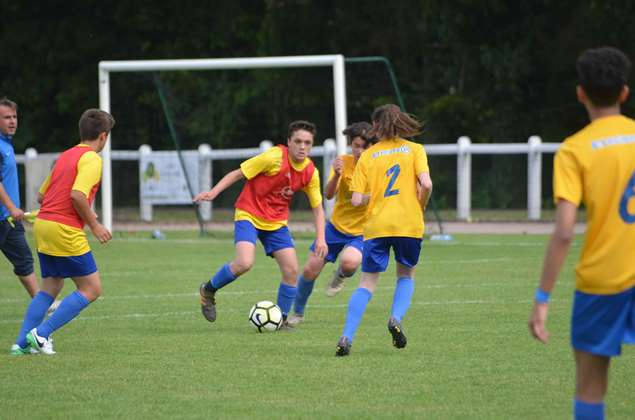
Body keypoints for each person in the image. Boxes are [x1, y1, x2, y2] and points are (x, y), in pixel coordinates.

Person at [528, 46, 635, 420]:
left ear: (581, 93)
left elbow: (564, 232)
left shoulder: (575, 150)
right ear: (624, 92)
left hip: (602, 282)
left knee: (591, 388)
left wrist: (542, 298)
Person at [194, 120, 327, 327]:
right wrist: (213, 192)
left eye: (307, 143)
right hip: (249, 213)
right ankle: (208, 290)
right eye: (298, 141)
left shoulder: (311, 172)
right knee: (244, 263)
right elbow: (238, 173)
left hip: (276, 223)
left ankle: (281, 320)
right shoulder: (273, 157)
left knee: (292, 271)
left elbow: (318, 209)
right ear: (289, 142)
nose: (302, 147)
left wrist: (321, 239)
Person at [11, 109, 114, 355]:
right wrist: (95, 224)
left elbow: (42, 195)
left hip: (43, 225)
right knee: (91, 289)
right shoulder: (92, 159)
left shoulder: (66, 155)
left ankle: (21, 344)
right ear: (103, 136)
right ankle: (41, 334)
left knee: (51, 286)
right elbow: (77, 195)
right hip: (63, 228)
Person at [335, 104, 432, 356]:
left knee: (367, 283)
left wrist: (376, 197)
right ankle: (395, 318)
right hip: (409, 224)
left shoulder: (368, 156)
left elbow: (356, 199)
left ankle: (346, 336)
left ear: (376, 125)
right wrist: (420, 204)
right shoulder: (415, 150)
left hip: (377, 225)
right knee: (406, 275)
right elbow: (427, 184)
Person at [287, 122, 373, 326]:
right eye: (356, 146)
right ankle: (297, 313)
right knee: (310, 270)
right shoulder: (344, 162)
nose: (360, 151)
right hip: (335, 228)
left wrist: (367, 198)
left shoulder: (379, 168)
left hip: (363, 232)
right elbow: (328, 194)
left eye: (365, 147)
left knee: (349, 262)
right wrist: (336, 175)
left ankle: (341, 275)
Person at [0, 98, 40, 299]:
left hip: (9, 220)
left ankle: (42, 303)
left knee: (24, 260)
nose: (12, 121)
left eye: (14, 117)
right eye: (7, 117)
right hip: (6, 215)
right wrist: (11, 207)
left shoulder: (6, 145)